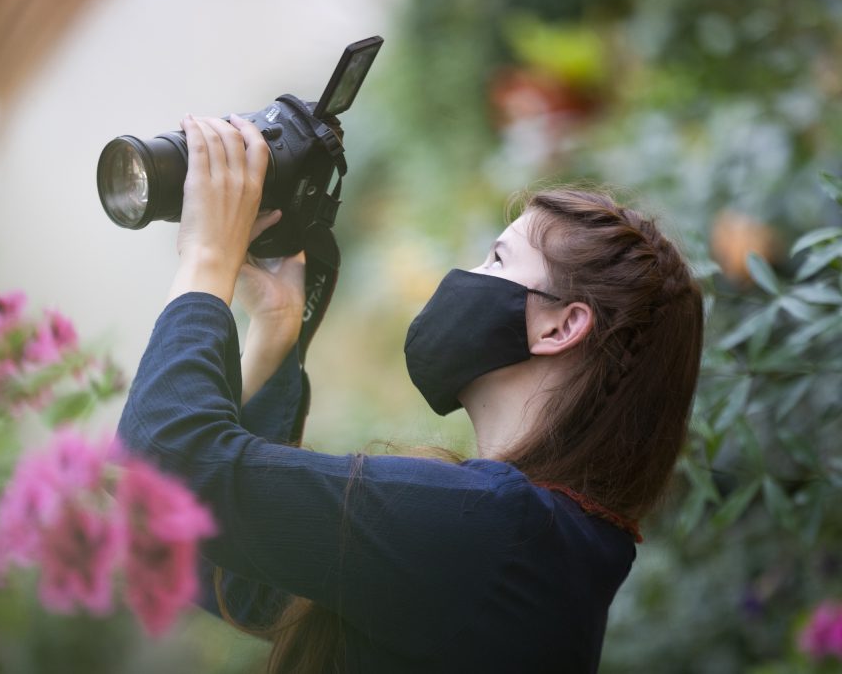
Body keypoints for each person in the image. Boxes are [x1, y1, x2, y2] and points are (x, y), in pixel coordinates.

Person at [116, 113, 704, 673]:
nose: (467, 275)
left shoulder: (496, 534)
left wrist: (207, 259)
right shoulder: (538, 551)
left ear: (560, 326)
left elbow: (163, 470)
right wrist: (275, 332)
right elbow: (231, 573)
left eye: (498, 260)